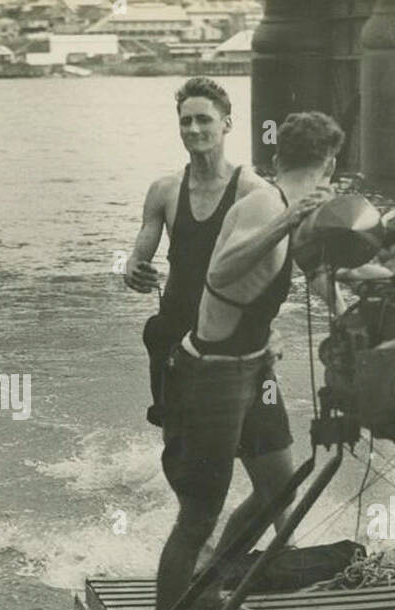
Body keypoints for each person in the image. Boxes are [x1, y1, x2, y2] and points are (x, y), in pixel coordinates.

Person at [153, 111, 345, 610]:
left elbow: (319, 271)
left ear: (281, 156)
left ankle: (209, 589)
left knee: (277, 492)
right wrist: (288, 220)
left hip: (255, 370)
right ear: (331, 162)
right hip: (210, 375)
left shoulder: (295, 208)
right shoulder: (265, 203)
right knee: (198, 516)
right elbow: (221, 270)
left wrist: (365, 296)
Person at [123, 77, 266, 427]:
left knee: (246, 441)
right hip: (174, 331)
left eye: (204, 119)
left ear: (227, 123)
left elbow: (273, 268)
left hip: (232, 334)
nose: (194, 128)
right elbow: (139, 252)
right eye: (186, 121)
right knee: (178, 441)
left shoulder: (252, 191)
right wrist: (130, 270)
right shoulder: (164, 190)